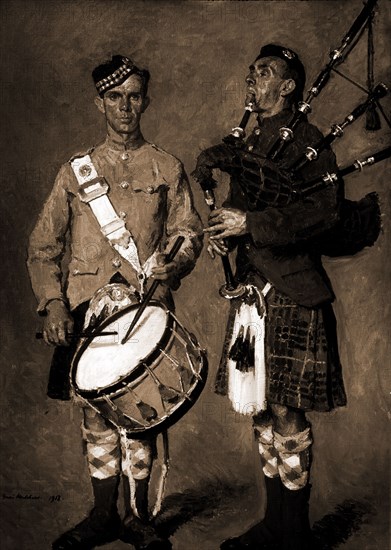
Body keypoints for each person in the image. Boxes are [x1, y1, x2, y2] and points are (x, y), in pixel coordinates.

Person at [27, 54, 203, 550]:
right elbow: (43, 248)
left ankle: (138, 518)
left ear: (146, 100)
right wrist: (54, 304)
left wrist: (177, 263)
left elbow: (188, 233)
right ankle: (104, 514)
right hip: (88, 308)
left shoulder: (167, 166)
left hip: (145, 306)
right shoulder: (75, 172)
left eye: (134, 96)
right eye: (114, 97)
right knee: (96, 416)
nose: (125, 107)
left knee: (140, 411)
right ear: (99, 102)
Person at [194, 44, 347, 550]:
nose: (251, 80)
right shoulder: (252, 142)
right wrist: (226, 232)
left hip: (291, 289)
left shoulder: (306, 140)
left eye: (264, 73)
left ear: (288, 86)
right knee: (260, 409)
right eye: (250, 71)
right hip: (251, 292)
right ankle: (275, 525)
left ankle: (296, 532)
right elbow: (240, 215)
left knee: (286, 411)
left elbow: (325, 213)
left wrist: (250, 223)